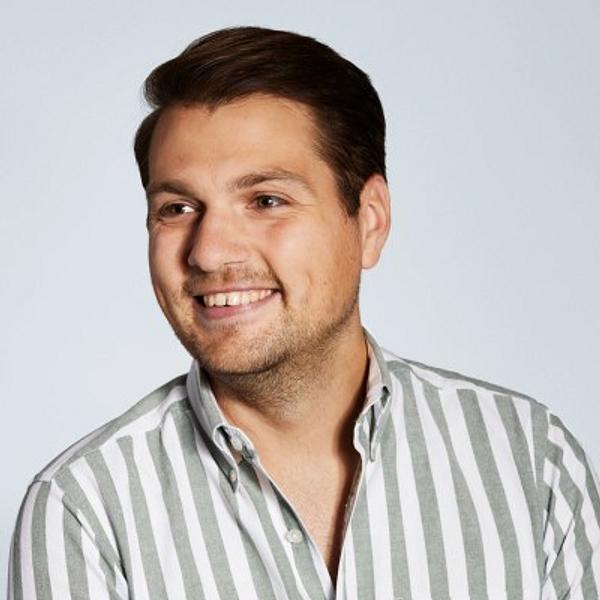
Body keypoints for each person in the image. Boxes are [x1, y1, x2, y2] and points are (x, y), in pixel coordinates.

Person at [8, 26, 600, 600]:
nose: (209, 251)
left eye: (266, 200)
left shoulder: (530, 461)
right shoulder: (86, 511)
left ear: (369, 222)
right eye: (178, 208)